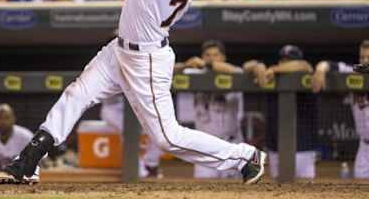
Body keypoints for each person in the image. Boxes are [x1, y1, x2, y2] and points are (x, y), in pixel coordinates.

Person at [0, 0, 266, 185]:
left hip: (147, 59)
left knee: (168, 138)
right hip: (119, 50)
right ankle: (28, 161)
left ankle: (244, 156)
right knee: (76, 95)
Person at [174, 40, 254, 179]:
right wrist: (185, 65)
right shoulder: (194, 74)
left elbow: (239, 71)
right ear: (202, 56)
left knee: (235, 191)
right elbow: (168, 71)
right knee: (202, 190)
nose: (211, 58)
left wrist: (208, 64)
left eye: (216, 55)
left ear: (223, 57)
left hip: (231, 144)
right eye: (207, 55)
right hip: (204, 148)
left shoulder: (234, 73)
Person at [253, 45, 316, 179]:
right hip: (275, 147)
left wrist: (274, 68)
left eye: (290, 60)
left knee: (306, 189)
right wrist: (258, 66)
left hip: (303, 147)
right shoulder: (272, 78)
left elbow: (304, 66)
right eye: (283, 60)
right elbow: (248, 66)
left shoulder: (306, 73)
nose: (286, 63)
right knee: (278, 188)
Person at [312, 40, 369, 178]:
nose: (365, 60)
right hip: (365, 146)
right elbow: (328, 64)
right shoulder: (355, 71)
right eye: (362, 57)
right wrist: (320, 70)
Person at [100, 95, 164, 178]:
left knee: (159, 129)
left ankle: (151, 164)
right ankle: (136, 169)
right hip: (113, 108)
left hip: (137, 107)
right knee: (128, 133)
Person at [0, 104, 39, 183]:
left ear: (14, 119)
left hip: (21, 180)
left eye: (7, 118)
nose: (3, 122)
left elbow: (34, 164)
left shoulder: (25, 136)